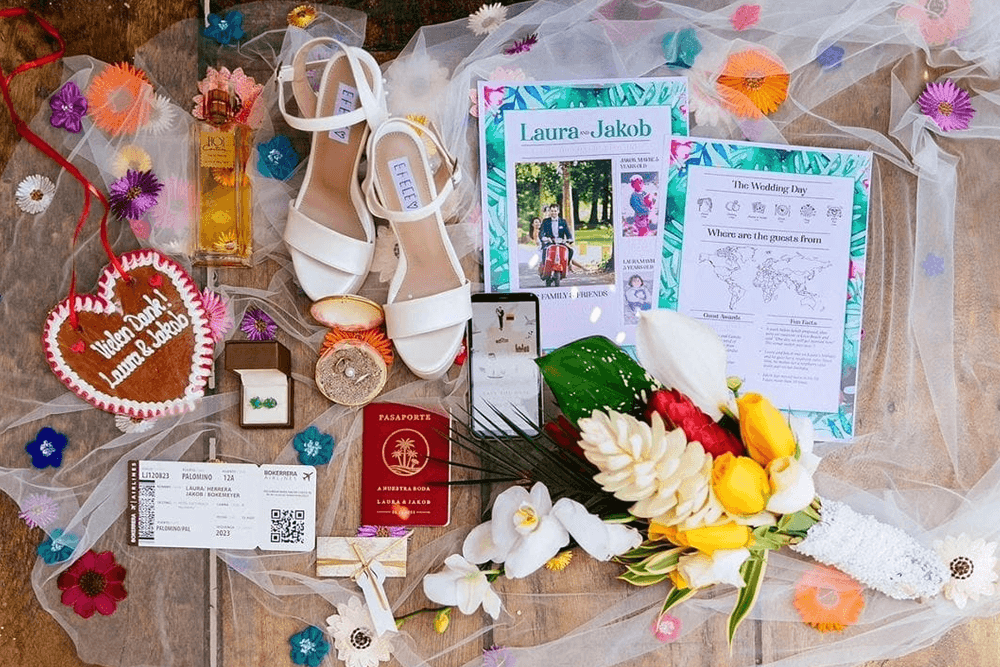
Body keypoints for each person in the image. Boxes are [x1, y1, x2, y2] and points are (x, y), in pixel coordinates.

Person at [537, 204, 574, 275]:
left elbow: (568, 233)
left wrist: (570, 239)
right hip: (549, 242)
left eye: (555, 211)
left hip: (560, 242)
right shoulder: (545, 221)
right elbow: (541, 232)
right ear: (550, 212)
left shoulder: (563, 221)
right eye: (552, 211)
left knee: (570, 251)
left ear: (558, 211)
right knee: (545, 250)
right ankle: (544, 267)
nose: (553, 213)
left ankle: (566, 265)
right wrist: (544, 238)